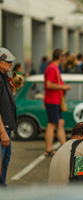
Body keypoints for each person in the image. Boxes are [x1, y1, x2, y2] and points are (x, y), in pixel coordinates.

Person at [44, 49, 71, 156]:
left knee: (60, 123)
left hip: (56, 100)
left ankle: (64, 148)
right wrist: (63, 87)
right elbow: (48, 84)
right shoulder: (52, 68)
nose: (64, 59)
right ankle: (48, 149)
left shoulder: (54, 67)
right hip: (52, 101)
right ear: (60, 57)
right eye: (63, 56)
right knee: (52, 124)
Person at [0, 47, 17, 186]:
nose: (11, 64)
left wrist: (11, 93)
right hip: (2, 129)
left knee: (5, 158)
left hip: (6, 128)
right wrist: (2, 132)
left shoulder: (4, 78)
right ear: (0, 62)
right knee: (1, 159)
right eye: (9, 61)